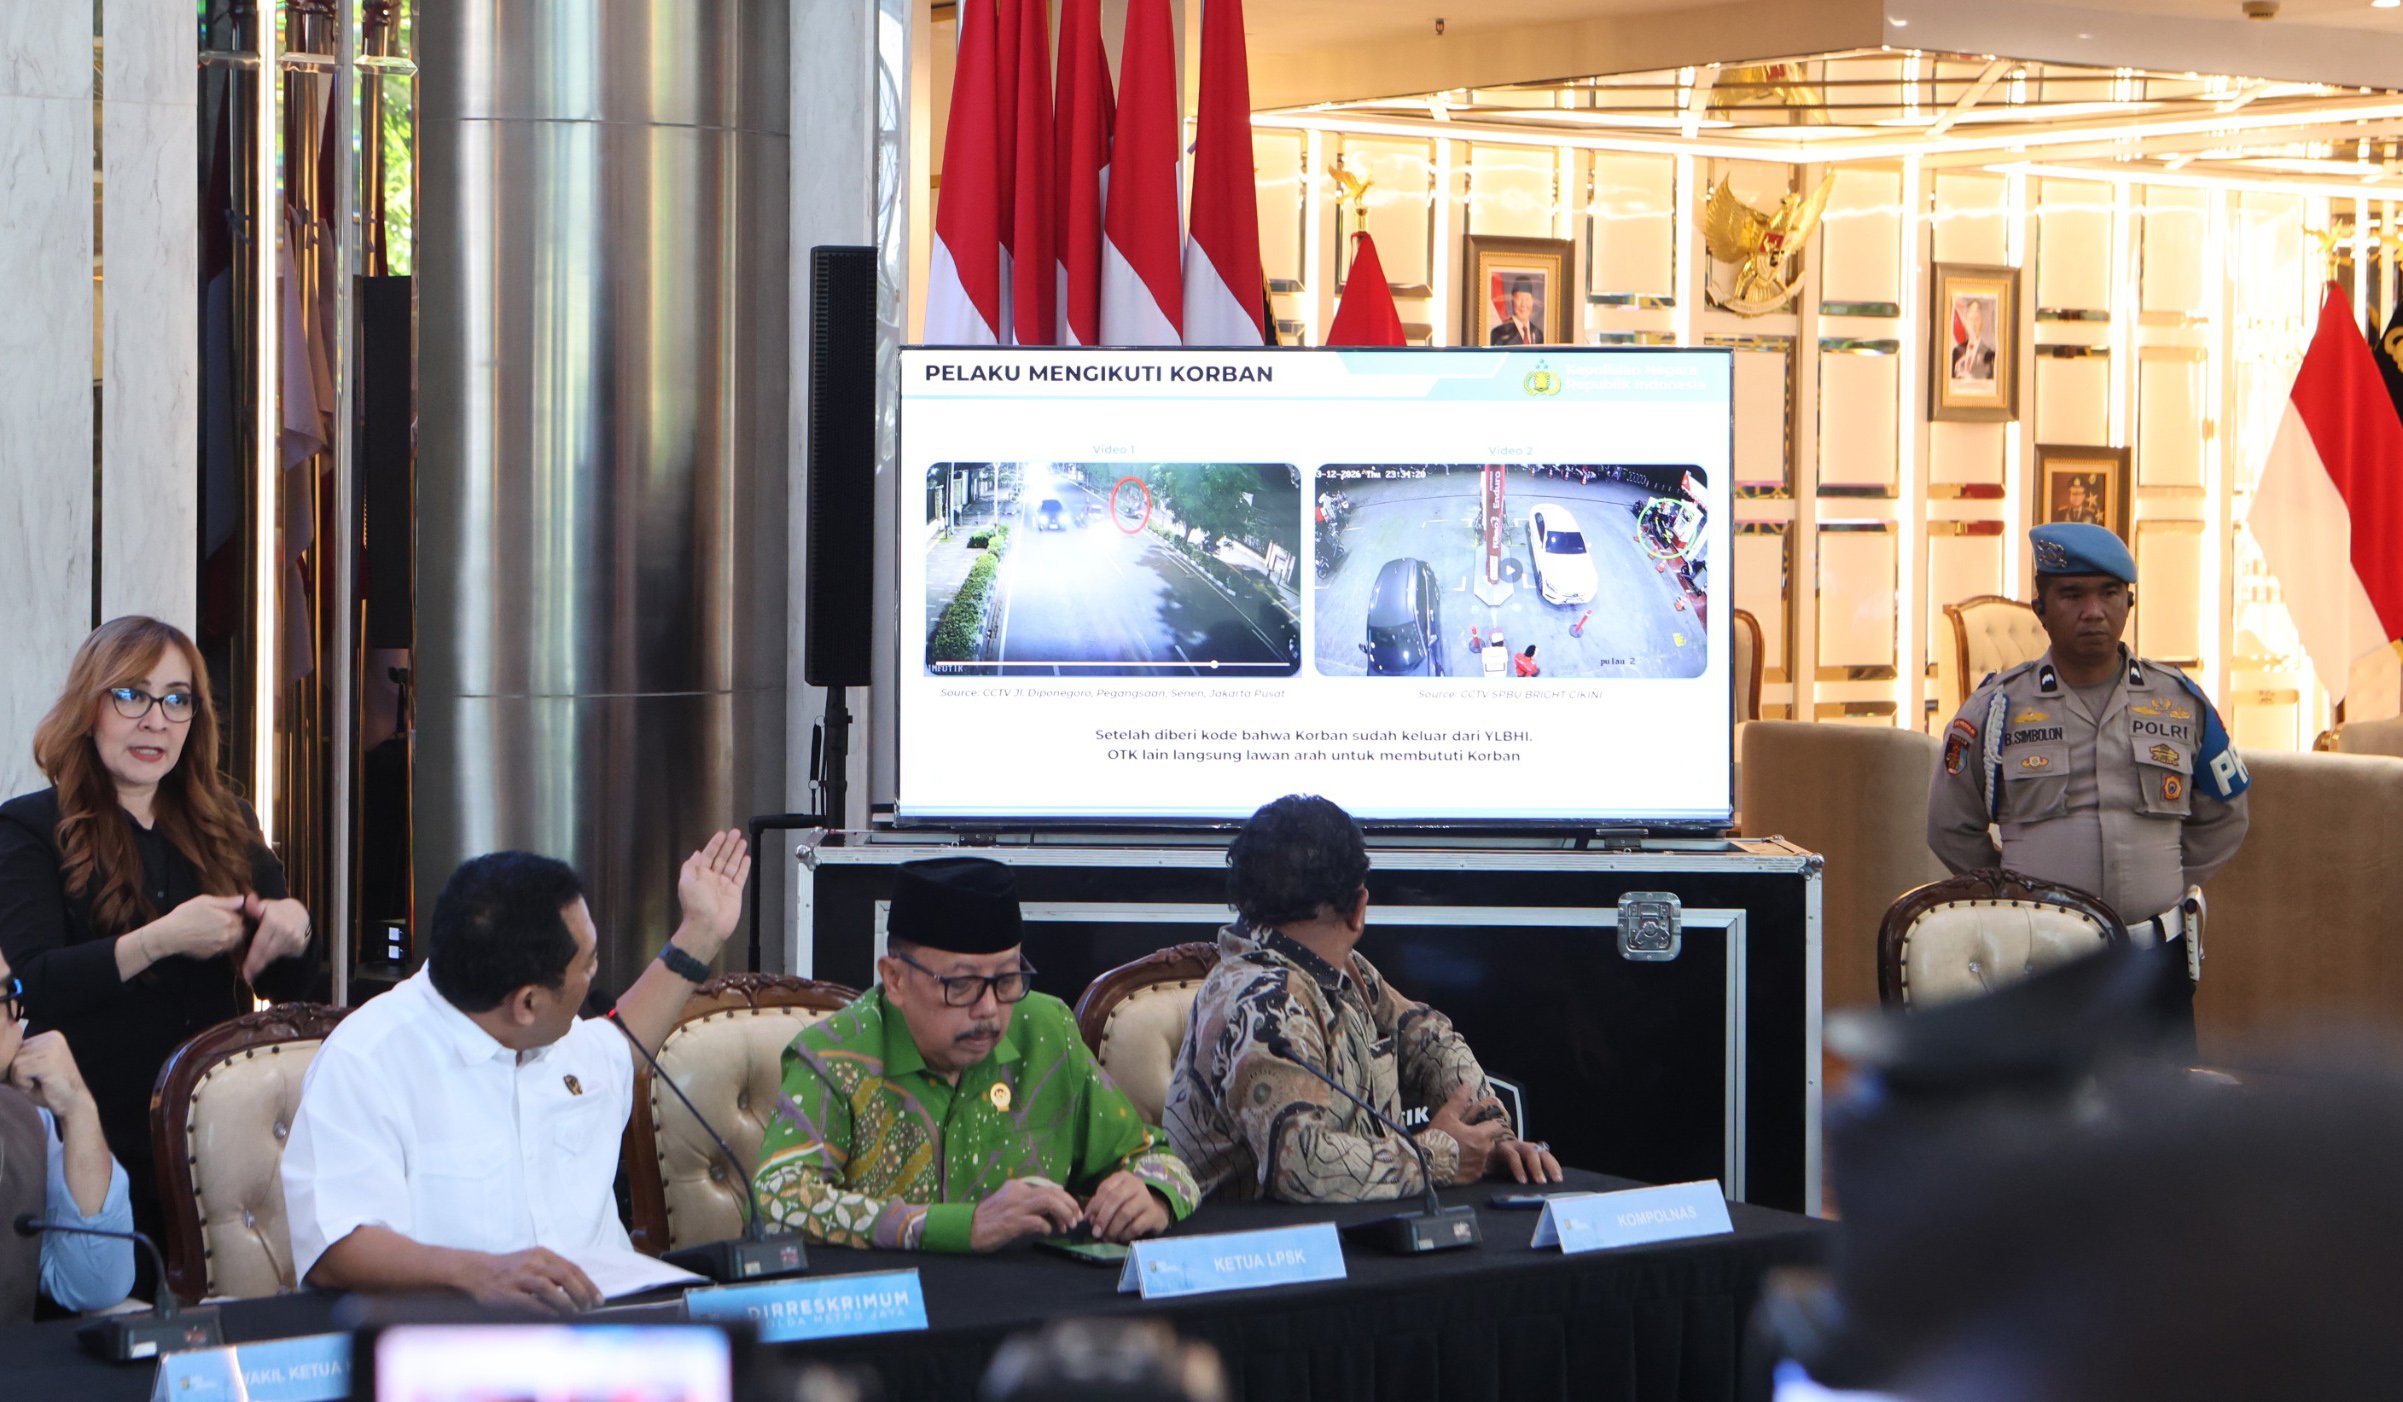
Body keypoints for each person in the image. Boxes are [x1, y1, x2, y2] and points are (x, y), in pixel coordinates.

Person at [280, 832, 750, 1313]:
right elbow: (336, 1247)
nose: (597, 971)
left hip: (610, 1343)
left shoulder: (555, 1036)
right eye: (587, 965)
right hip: (457, 1358)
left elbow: (623, 1042)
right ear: (527, 1003)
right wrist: (477, 1273)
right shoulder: (367, 1061)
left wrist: (701, 932)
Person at [0, 616, 317, 1266]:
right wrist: (159, 940)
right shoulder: (29, 827)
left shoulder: (228, 822)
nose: (156, 720)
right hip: (90, 1141)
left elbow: (289, 990)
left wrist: (294, 930)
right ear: (91, 708)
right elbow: (30, 981)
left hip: (220, 1146)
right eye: (132, 696)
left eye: (177, 699)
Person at [752, 857, 1198, 1252]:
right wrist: (960, 1227)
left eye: (1007, 980)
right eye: (960, 985)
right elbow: (779, 1199)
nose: (988, 1009)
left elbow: (1154, 1156)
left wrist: (1152, 1193)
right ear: (895, 980)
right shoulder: (834, 1053)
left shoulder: (1045, 1031)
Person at [1926, 523, 2250, 1047]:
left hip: (2154, 960)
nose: (2093, 611)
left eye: (2109, 593)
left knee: (2158, 1116)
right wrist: (2017, 893)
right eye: (2072, 595)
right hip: (2039, 960)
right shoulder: (1997, 709)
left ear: (2130, 603)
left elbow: (2226, 814)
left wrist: (2162, 877)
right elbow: (1949, 827)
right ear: (2041, 609)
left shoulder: (2181, 702)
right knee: (2046, 1119)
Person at [1164, 795, 1562, 1202]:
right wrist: (1438, 1157)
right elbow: (1302, 1168)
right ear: (1359, 908)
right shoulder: (1263, 1005)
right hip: (1261, 1251)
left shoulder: (1341, 968)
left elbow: (1429, 1039)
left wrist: (1489, 1139)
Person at [0, 948, 134, 1322]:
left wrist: (78, 1109)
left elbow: (97, 1285)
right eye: (6, 996)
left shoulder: (26, 1123)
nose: (19, 1016)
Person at [1950, 297, 1996, 381]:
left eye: (1976, 319)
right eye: (1970, 319)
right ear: (1966, 321)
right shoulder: (1956, 352)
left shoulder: (1990, 354)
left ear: (1982, 322)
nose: (1973, 324)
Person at [1488, 277, 1539, 346]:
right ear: (1511, 302)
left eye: (1527, 299)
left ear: (1532, 302)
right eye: (1519, 299)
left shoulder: (1538, 334)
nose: (1523, 304)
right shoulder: (1499, 333)